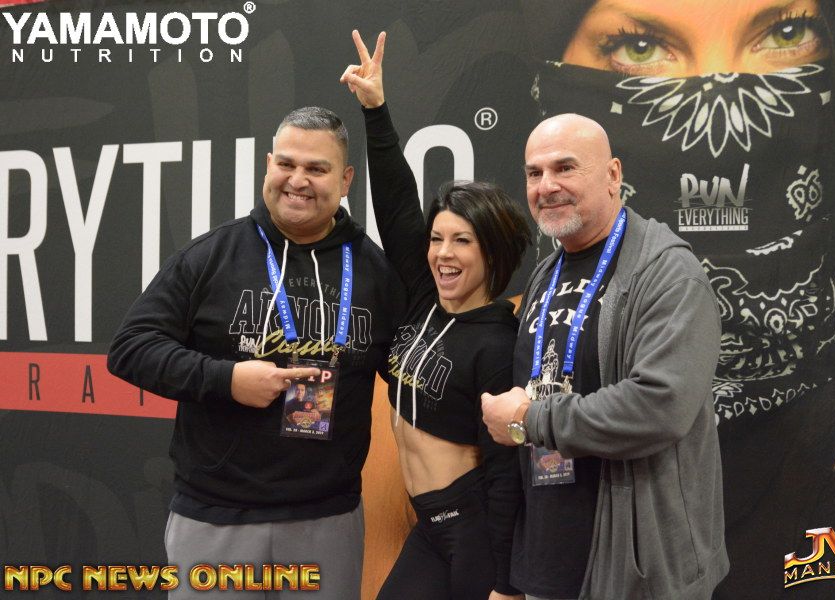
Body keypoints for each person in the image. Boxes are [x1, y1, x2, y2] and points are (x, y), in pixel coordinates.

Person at [520, 1, 835, 597]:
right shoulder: (541, 296)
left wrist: (528, 419)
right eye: (639, 47)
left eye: (788, 33)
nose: (721, 94)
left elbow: (662, 404)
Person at [107, 106, 403, 599]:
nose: (298, 180)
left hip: (327, 520)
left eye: (317, 168)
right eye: (286, 163)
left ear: (346, 179)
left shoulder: (375, 272)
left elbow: (412, 375)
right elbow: (130, 348)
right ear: (268, 165)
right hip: (216, 518)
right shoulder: (211, 256)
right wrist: (227, 380)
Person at [481, 112, 729, 599]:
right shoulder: (547, 271)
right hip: (548, 566)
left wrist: (530, 420)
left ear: (613, 175)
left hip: (636, 574)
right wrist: (513, 575)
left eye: (565, 168)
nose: (547, 186)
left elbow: (659, 405)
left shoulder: (667, 273)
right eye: (534, 173)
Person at [340, 30, 531, 600]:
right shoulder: (425, 299)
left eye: (462, 241)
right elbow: (397, 203)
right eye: (437, 238)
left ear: (491, 253)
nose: (443, 253)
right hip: (429, 528)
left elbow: (506, 473)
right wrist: (375, 110)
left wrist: (505, 584)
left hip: (473, 532)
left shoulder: (498, 343)